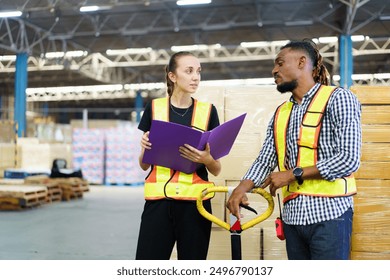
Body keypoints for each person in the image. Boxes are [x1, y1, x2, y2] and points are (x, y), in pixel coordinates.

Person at [226, 39, 362, 260]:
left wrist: (291, 174)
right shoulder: (282, 112)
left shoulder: (338, 99)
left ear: (301, 62)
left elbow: (348, 159)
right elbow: (266, 159)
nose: (274, 70)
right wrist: (242, 188)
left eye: (280, 63)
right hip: (293, 220)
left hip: (330, 216)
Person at [135, 51, 221, 260]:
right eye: (189, 71)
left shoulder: (208, 111)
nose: (195, 77)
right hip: (159, 203)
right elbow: (144, 166)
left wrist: (205, 159)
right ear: (172, 76)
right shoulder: (154, 108)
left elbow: (216, 168)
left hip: (195, 206)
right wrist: (145, 148)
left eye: (198, 72)